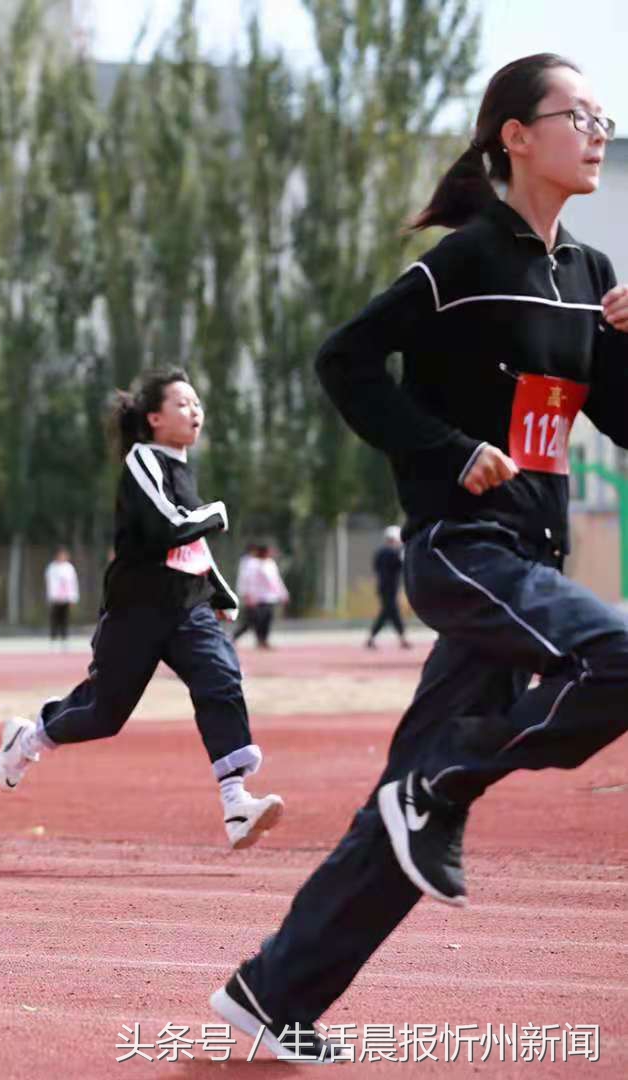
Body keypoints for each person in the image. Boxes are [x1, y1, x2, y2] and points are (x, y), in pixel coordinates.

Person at [210, 56, 628, 1063]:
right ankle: (440, 783)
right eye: (579, 115)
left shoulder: (592, 277)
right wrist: (446, 450)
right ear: (515, 136)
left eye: (603, 117)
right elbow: (343, 360)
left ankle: (270, 995)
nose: (599, 132)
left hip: (529, 558)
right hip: (462, 547)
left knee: (403, 812)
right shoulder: (463, 263)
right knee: (616, 659)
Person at [0, 370, 285, 853]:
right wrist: (215, 513)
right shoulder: (143, 460)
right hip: (136, 611)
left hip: (187, 608)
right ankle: (29, 739)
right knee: (103, 715)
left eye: (197, 403)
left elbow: (189, 547)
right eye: (182, 403)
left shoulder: (183, 469)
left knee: (220, 679)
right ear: (154, 419)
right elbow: (170, 526)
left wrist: (220, 592)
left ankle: (237, 803)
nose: (195, 411)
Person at [234, 544, 289, 649]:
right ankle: (236, 638)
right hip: (257, 598)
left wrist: (283, 594)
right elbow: (248, 581)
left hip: (270, 597)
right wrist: (248, 595)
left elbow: (277, 581)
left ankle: (263, 640)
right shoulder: (253, 564)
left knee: (267, 619)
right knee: (253, 620)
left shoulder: (271, 563)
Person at [366, 525, 410, 648]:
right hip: (390, 588)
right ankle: (402, 638)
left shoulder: (379, 553)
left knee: (387, 613)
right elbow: (403, 565)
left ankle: (373, 638)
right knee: (392, 612)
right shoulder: (395, 553)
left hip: (382, 587)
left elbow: (376, 568)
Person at [45, 547, 80, 646]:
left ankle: (64, 637)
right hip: (55, 597)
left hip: (66, 597)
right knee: (54, 618)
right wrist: (51, 596)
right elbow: (50, 583)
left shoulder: (69, 568)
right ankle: (53, 637)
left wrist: (73, 597)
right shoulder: (52, 567)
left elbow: (73, 583)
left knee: (65, 618)